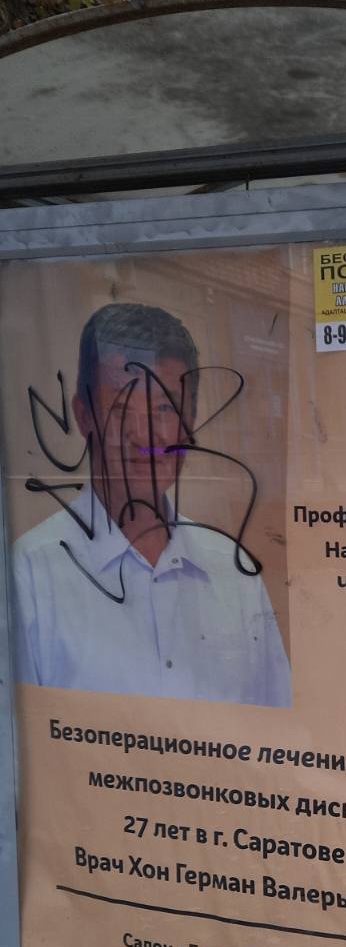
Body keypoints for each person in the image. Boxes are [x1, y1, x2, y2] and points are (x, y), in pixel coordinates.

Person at [13, 303, 292, 708]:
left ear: (190, 422)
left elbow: (275, 726)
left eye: (165, 408)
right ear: (83, 415)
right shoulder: (28, 577)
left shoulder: (233, 570)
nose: (146, 435)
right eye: (122, 408)